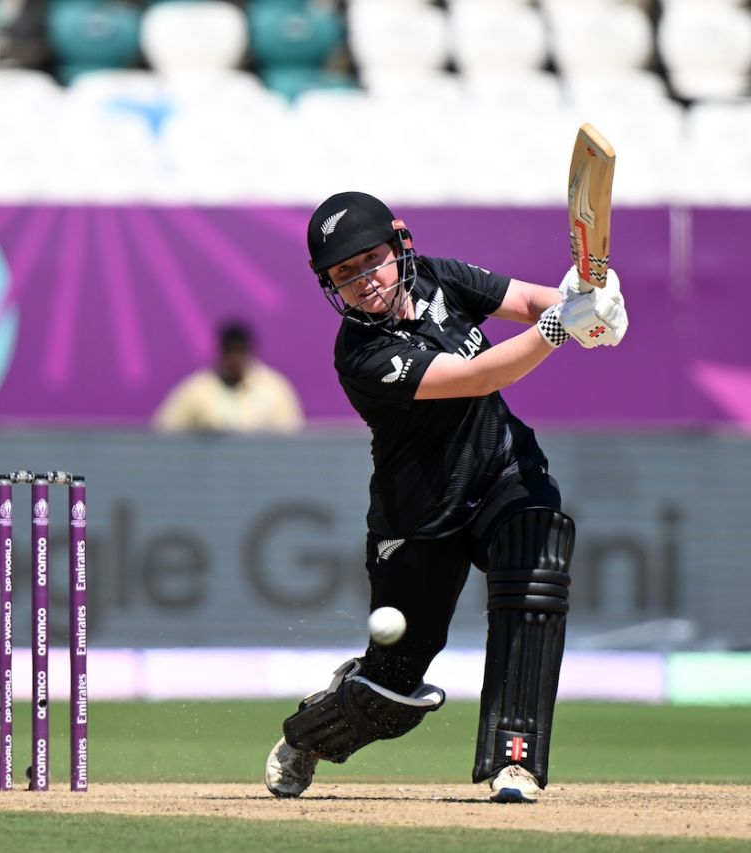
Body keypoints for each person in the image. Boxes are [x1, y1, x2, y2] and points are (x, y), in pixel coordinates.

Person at [263, 191, 627, 803]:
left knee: (536, 561)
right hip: (420, 518)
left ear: (399, 243)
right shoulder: (360, 354)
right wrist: (566, 324)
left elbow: (526, 301)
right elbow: (478, 376)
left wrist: (593, 303)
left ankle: (516, 761)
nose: (362, 281)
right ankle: (311, 733)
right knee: (393, 689)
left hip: (503, 472)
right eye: (343, 275)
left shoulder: (437, 275)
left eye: (369, 260)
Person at [152, 321, 305, 433]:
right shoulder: (198, 390)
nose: (235, 359)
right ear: (221, 352)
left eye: (239, 351)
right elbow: (163, 430)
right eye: (230, 351)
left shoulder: (275, 390)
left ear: (249, 352)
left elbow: (291, 440)